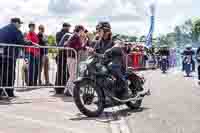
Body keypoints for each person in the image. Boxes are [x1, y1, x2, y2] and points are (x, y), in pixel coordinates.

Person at [0, 18, 32, 98]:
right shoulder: (16, 31)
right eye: (19, 23)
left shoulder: (2, 29)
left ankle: (2, 92)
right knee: (10, 75)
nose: (20, 25)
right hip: (10, 55)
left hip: (1, 55)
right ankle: (9, 92)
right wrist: (30, 43)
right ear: (15, 23)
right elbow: (21, 42)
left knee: (2, 74)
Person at [64, 25, 88, 96]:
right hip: (72, 57)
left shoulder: (73, 36)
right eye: (83, 30)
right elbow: (80, 47)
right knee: (73, 75)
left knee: (72, 75)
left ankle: (66, 90)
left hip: (70, 57)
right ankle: (72, 92)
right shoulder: (76, 36)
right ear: (80, 30)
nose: (83, 32)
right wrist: (85, 42)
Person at [54, 23, 71, 95]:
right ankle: (64, 87)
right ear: (67, 27)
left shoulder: (58, 34)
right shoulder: (68, 34)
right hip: (65, 54)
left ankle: (58, 88)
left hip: (60, 54)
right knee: (66, 71)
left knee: (59, 71)